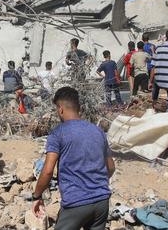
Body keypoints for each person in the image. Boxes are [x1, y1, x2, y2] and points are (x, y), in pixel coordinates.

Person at [32, 87, 114, 230]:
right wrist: (95, 184)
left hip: (75, 203)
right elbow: (111, 167)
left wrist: (37, 196)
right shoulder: (98, 131)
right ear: (79, 107)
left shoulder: (58, 133)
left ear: (60, 109)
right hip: (102, 202)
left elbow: (47, 171)